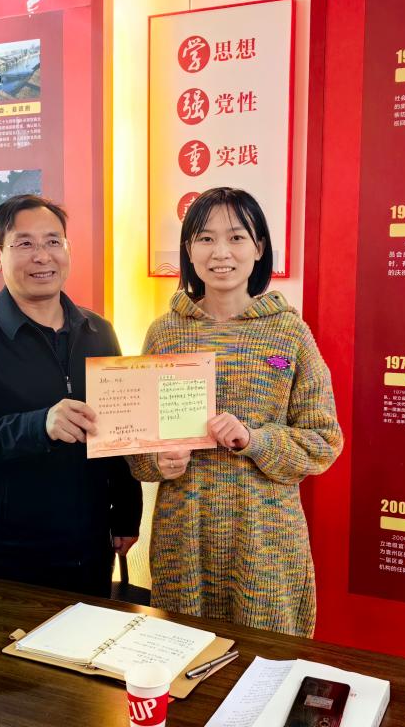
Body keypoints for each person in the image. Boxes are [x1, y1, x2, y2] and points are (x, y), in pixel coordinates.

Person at [128, 187, 343, 636]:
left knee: (268, 657)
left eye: (236, 237)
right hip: (184, 533)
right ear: (189, 250)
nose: (220, 252)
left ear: (259, 248)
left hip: (265, 536)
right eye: (205, 238)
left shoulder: (289, 333)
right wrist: (158, 462)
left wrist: (255, 439)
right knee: (182, 650)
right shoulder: (165, 334)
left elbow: (323, 441)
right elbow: (137, 448)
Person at [0, 194, 141, 596]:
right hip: (9, 556)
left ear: (67, 249)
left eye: (53, 241)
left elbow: (117, 429)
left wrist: (127, 514)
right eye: (25, 243)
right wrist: (39, 425)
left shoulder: (99, 331)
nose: (42, 256)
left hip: (90, 548)